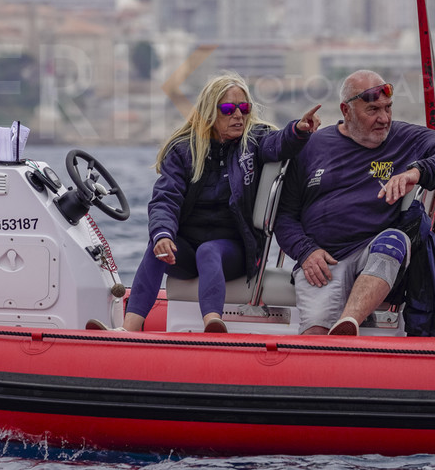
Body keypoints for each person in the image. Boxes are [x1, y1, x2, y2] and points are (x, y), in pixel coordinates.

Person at [274, 70, 435, 336]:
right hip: (324, 259)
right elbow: (284, 215)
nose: (384, 118)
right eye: (373, 110)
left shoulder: (403, 138)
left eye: (388, 108)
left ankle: (348, 324)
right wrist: (305, 251)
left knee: (394, 239)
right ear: (347, 110)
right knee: (315, 334)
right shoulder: (312, 147)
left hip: (376, 251)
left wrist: (416, 172)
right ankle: (327, 342)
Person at [124, 73, 321, 332]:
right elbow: (166, 197)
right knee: (156, 245)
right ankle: (129, 328)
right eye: (228, 109)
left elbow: (279, 143)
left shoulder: (255, 140)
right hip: (187, 248)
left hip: (235, 249)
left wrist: (298, 131)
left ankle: (213, 324)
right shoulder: (184, 150)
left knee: (210, 251)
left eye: (244, 108)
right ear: (209, 112)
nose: (238, 115)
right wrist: (163, 234)